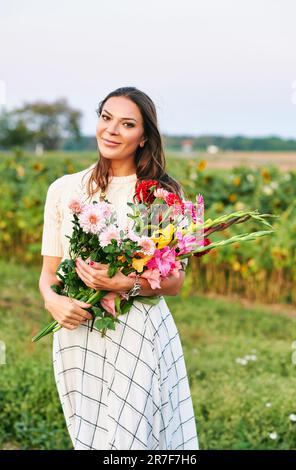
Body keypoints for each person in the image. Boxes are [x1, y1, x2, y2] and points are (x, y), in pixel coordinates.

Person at [39, 86, 199, 450]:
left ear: (143, 138)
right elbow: (49, 273)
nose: (111, 130)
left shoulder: (160, 195)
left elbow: (174, 282)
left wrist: (124, 282)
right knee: (89, 437)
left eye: (127, 124)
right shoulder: (64, 189)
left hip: (137, 332)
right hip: (76, 330)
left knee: (136, 440)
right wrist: (53, 301)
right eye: (106, 118)